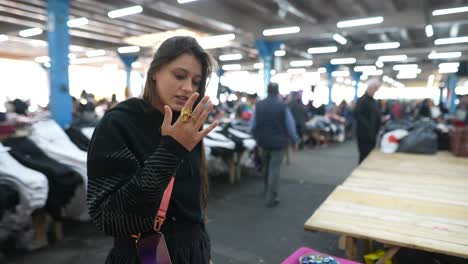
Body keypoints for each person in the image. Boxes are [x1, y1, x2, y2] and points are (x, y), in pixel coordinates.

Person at [87, 36, 218, 264]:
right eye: (179, 76)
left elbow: (193, 204)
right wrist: (171, 151)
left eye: (196, 81)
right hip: (144, 253)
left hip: (193, 250)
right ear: (155, 72)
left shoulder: (187, 122)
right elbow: (108, 218)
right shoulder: (120, 123)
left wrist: (203, 248)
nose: (188, 88)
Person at [251, 83, 299, 207]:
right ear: (277, 92)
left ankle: (266, 190)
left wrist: (256, 137)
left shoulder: (259, 105)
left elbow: (253, 125)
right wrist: (294, 140)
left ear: (267, 91)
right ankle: (271, 198)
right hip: (279, 143)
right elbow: (290, 125)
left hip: (263, 142)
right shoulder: (283, 107)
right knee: (274, 169)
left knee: (266, 168)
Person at [354, 78, 382, 164]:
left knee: (369, 156)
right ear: (369, 88)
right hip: (364, 134)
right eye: (375, 89)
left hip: (372, 134)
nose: (376, 91)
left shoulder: (373, 101)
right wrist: (368, 126)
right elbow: (357, 114)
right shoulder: (362, 100)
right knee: (364, 156)